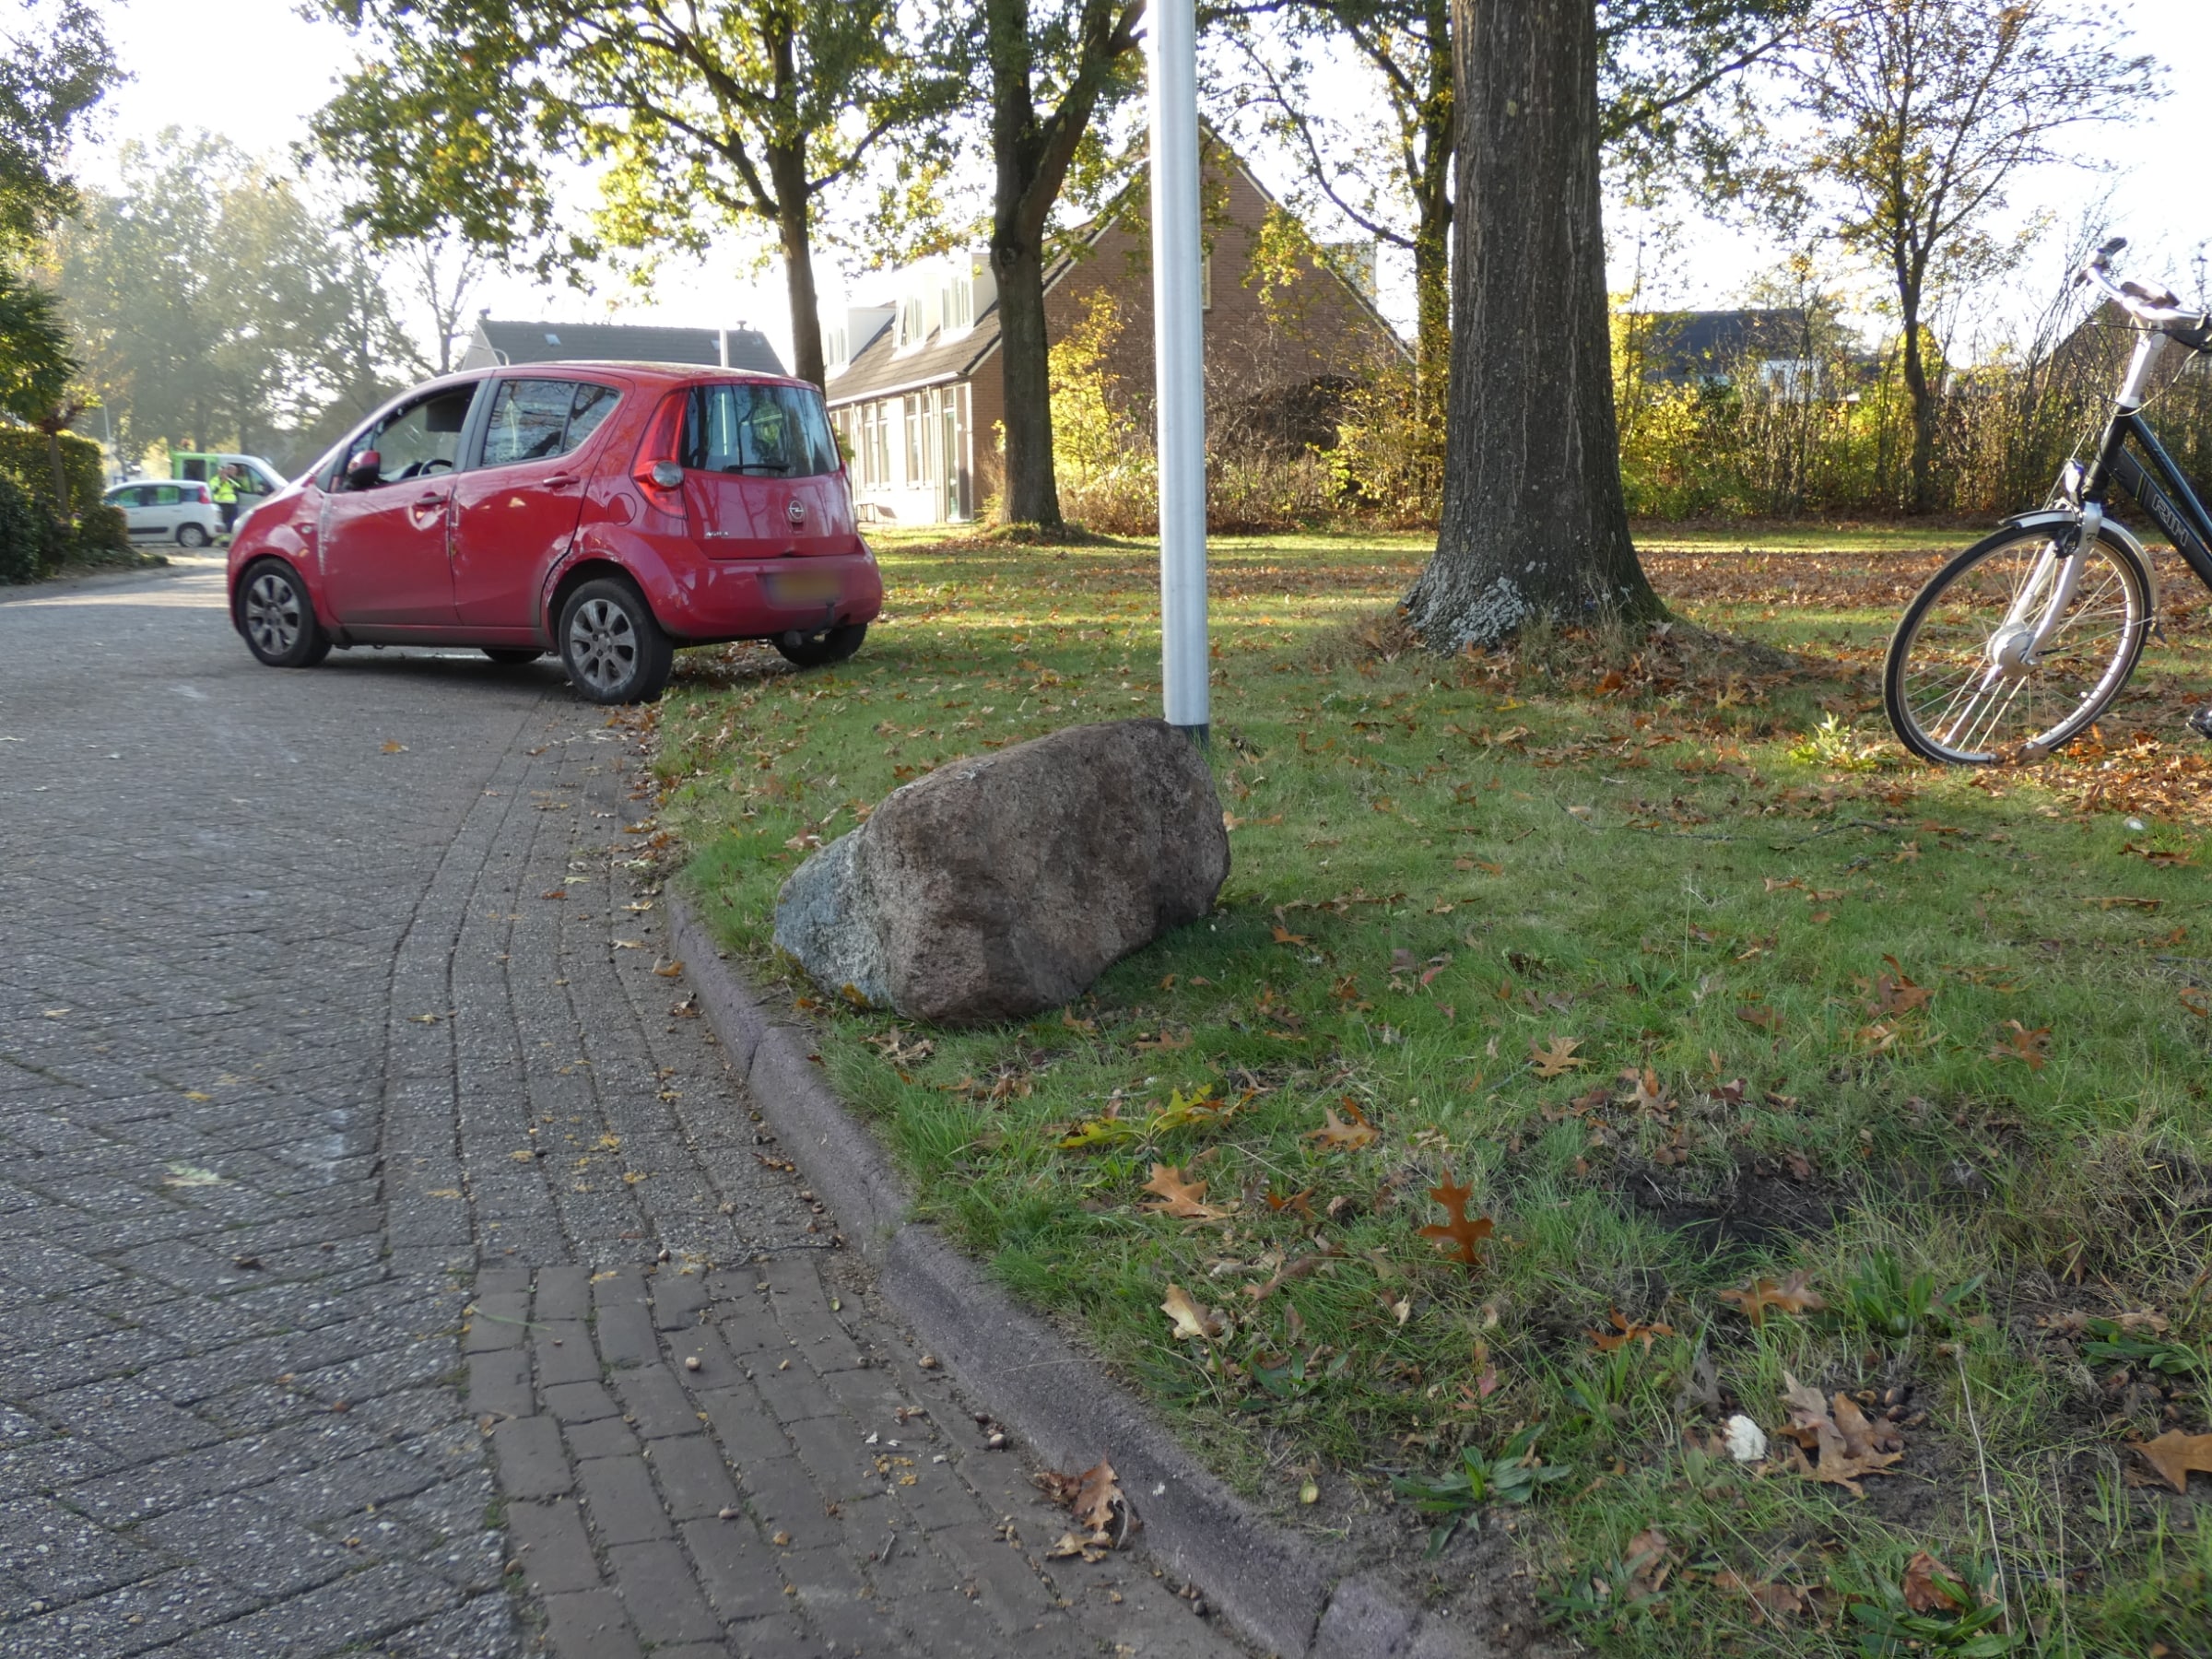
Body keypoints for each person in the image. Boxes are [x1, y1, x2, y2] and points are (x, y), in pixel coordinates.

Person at [211, 464, 240, 538]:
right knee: (223, 522)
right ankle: (223, 539)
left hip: (232, 503)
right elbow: (214, 490)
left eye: (224, 472)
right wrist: (221, 483)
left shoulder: (229, 479)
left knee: (233, 522)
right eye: (220, 472)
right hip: (222, 503)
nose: (222, 473)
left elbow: (237, 486)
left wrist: (228, 481)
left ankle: (230, 537)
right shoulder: (214, 480)